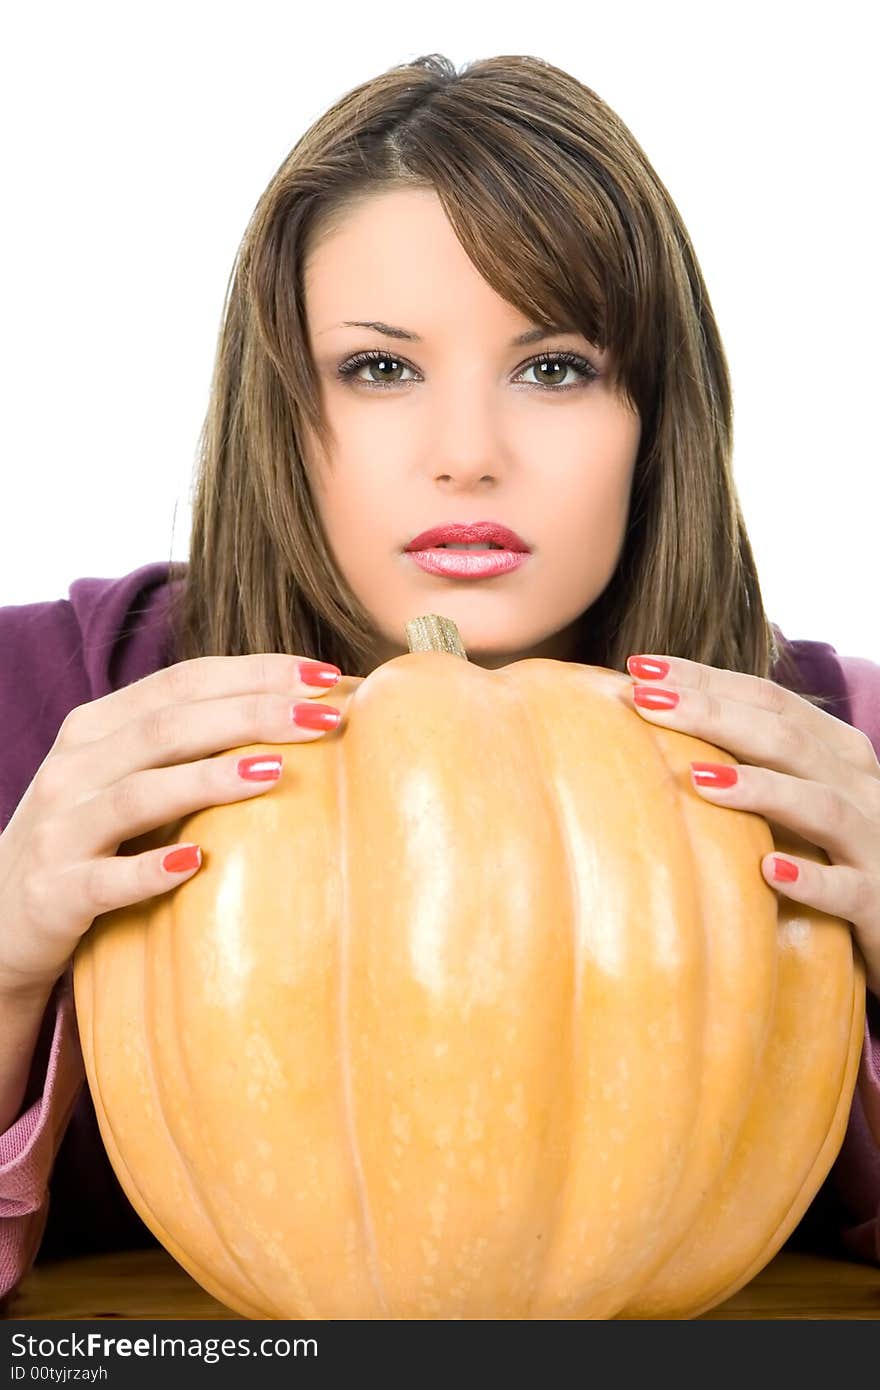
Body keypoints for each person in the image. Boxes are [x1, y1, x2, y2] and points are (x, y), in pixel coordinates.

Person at [1, 52, 878, 1312]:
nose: (467, 456)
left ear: (656, 415)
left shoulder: (836, 750)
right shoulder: (42, 706)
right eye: (381, 368)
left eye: (555, 367)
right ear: (282, 405)